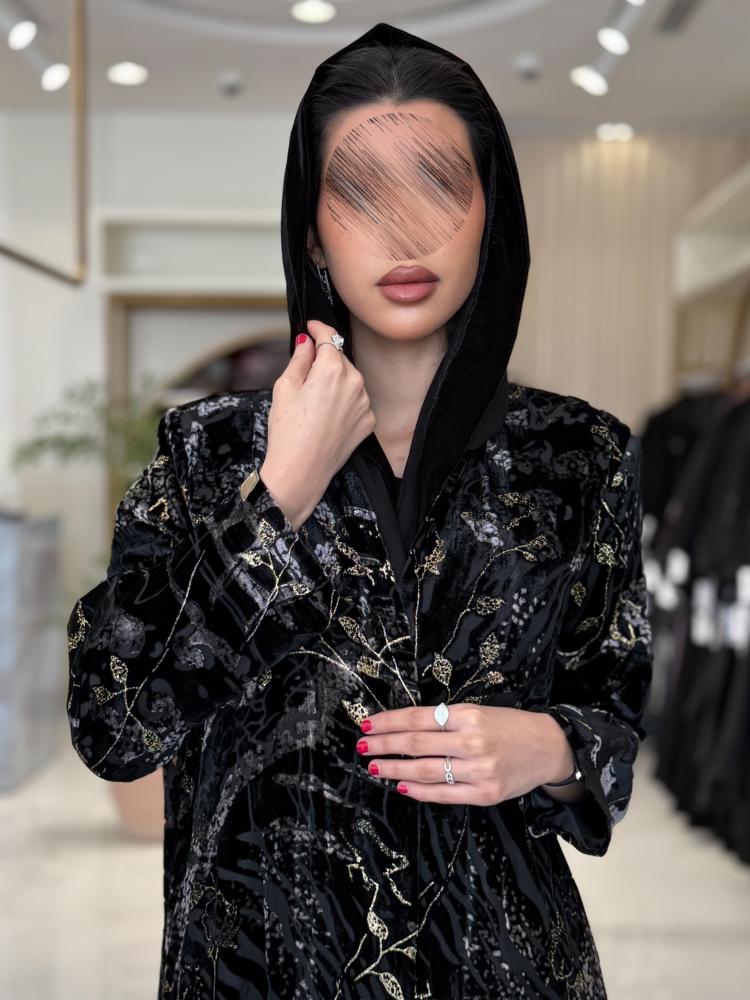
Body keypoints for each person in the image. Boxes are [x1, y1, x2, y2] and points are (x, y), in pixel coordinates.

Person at [66, 21, 653, 1000]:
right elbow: (113, 722)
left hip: (504, 965)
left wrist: (553, 747)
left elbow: (617, 710)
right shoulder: (208, 451)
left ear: (492, 215)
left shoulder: (578, 456)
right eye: (359, 192)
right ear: (310, 228)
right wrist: (278, 494)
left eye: (440, 186)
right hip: (258, 970)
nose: (405, 231)